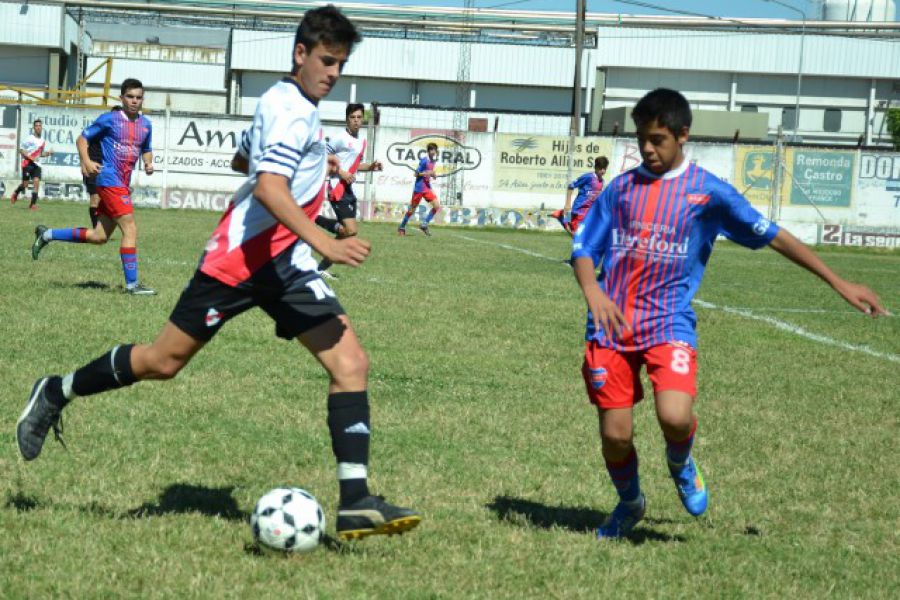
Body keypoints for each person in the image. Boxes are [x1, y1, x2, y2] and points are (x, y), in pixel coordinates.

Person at [16, 5, 422, 542]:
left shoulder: (290, 104)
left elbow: (244, 163)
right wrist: (325, 238)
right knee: (162, 362)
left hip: (287, 265)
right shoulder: (289, 108)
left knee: (351, 364)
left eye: (341, 64)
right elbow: (270, 188)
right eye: (326, 60)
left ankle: (355, 501)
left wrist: (302, 168)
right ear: (300, 54)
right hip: (238, 261)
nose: (333, 73)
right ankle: (55, 390)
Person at [571, 88, 886, 540]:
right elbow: (584, 246)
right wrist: (592, 291)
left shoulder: (709, 194)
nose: (647, 148)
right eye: (642, 138)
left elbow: (774, 236)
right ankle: (630, 503)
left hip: (667, 324)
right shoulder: (620, 189)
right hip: (610, 327)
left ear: (683, 136)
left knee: (676, 416)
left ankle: (680, 462)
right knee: (616, 436)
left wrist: (839, 282)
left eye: (657, 139)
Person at [31, 80, 155, 295]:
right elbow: (82, 139)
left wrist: (148, 162)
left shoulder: (146, 124)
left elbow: (146, 148)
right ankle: (133, 286)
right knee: (130, 228)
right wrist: (86, 161)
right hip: (109, 179)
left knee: (99, 236)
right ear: (121, 98)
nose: (134, 101)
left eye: (138, 97)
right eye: (130, 96)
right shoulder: (109, 119)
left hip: (122, 183)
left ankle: (47, 235)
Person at [315, 102, 383, 277]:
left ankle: (321, 268)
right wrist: (341, 172)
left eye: (359, 117)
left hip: (348, 189)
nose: (356, 121)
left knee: (347, 233)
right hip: (337, 188)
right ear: (346, 119)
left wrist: (371, 167)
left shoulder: (361, 142)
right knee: (351, 231)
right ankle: (316, 219)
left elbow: (354, 165)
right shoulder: (339, 138)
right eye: (352, 117)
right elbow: (324, 158)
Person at [84, 106, 122, 228]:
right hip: (94, 166)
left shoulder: (119, 135)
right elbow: (82, 141)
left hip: (108, 170)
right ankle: (96, 229)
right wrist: (84, 162)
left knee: (105, 200)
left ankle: (101, 228)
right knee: (95, 198)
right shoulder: (99, 128)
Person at [552, 156, 608, 237]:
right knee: (576, 235)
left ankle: (563, 217)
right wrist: (567, 204)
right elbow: (571, 186)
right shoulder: (588, 177)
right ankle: (563, 218)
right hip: (580, 210)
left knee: (583, 236)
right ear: (596, 167)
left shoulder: (602, 181)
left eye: (604, 168)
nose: (603, 171)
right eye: (601, 168)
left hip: (590, 212)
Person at [398, 142, 439, 236]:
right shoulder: (424, 160)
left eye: (434, 150)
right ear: (428, 151)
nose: (433, 152)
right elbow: (416, 174)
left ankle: (424, 224)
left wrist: (433, 174)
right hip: (419, 188)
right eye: (431, 150)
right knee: (412, 210)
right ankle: (402, 226)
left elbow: (431, 173)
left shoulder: (433, 161)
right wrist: (425, 173)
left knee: (436, 206)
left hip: (427, 188)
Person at [10, 119, 53, 210]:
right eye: (36, 126)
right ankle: (16, 193)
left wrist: (48, 153)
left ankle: (32, 204)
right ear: (34, 128)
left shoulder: (42, 141)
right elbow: (21, 150)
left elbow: (40, 154)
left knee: (36, 182)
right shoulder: (29, 138)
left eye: (39, 125)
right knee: (25, 185)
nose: (38, 127)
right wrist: (30, 157)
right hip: (27, 164)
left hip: (37, 165)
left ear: (41, 127)